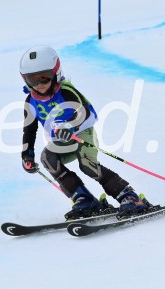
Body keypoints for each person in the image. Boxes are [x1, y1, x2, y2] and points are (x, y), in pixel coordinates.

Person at [18, 46, 151, 219]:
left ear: (55, 73)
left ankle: (129, 196)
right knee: (47, 158)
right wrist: (27, 155)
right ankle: (84, 199)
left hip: (83, 132)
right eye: (32, 79)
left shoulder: (65, 91)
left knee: (87, 164)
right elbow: (29, 129)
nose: (39, 84)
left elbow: (83, 112)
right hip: (63, 140)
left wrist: (69, 126)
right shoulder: (30, 101)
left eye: (44, 78)